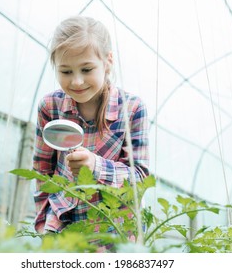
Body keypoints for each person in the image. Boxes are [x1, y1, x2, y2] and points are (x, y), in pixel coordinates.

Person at [32, 16, 149, 240]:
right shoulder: (50, 107)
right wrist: (43, 224)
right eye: (66, 72)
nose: (76, 81)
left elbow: (140, 178)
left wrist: (96, 166)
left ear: (108, 61)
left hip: (116, 230)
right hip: (64, 228)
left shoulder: (132, 109)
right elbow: (41, 171)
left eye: (86, 69)